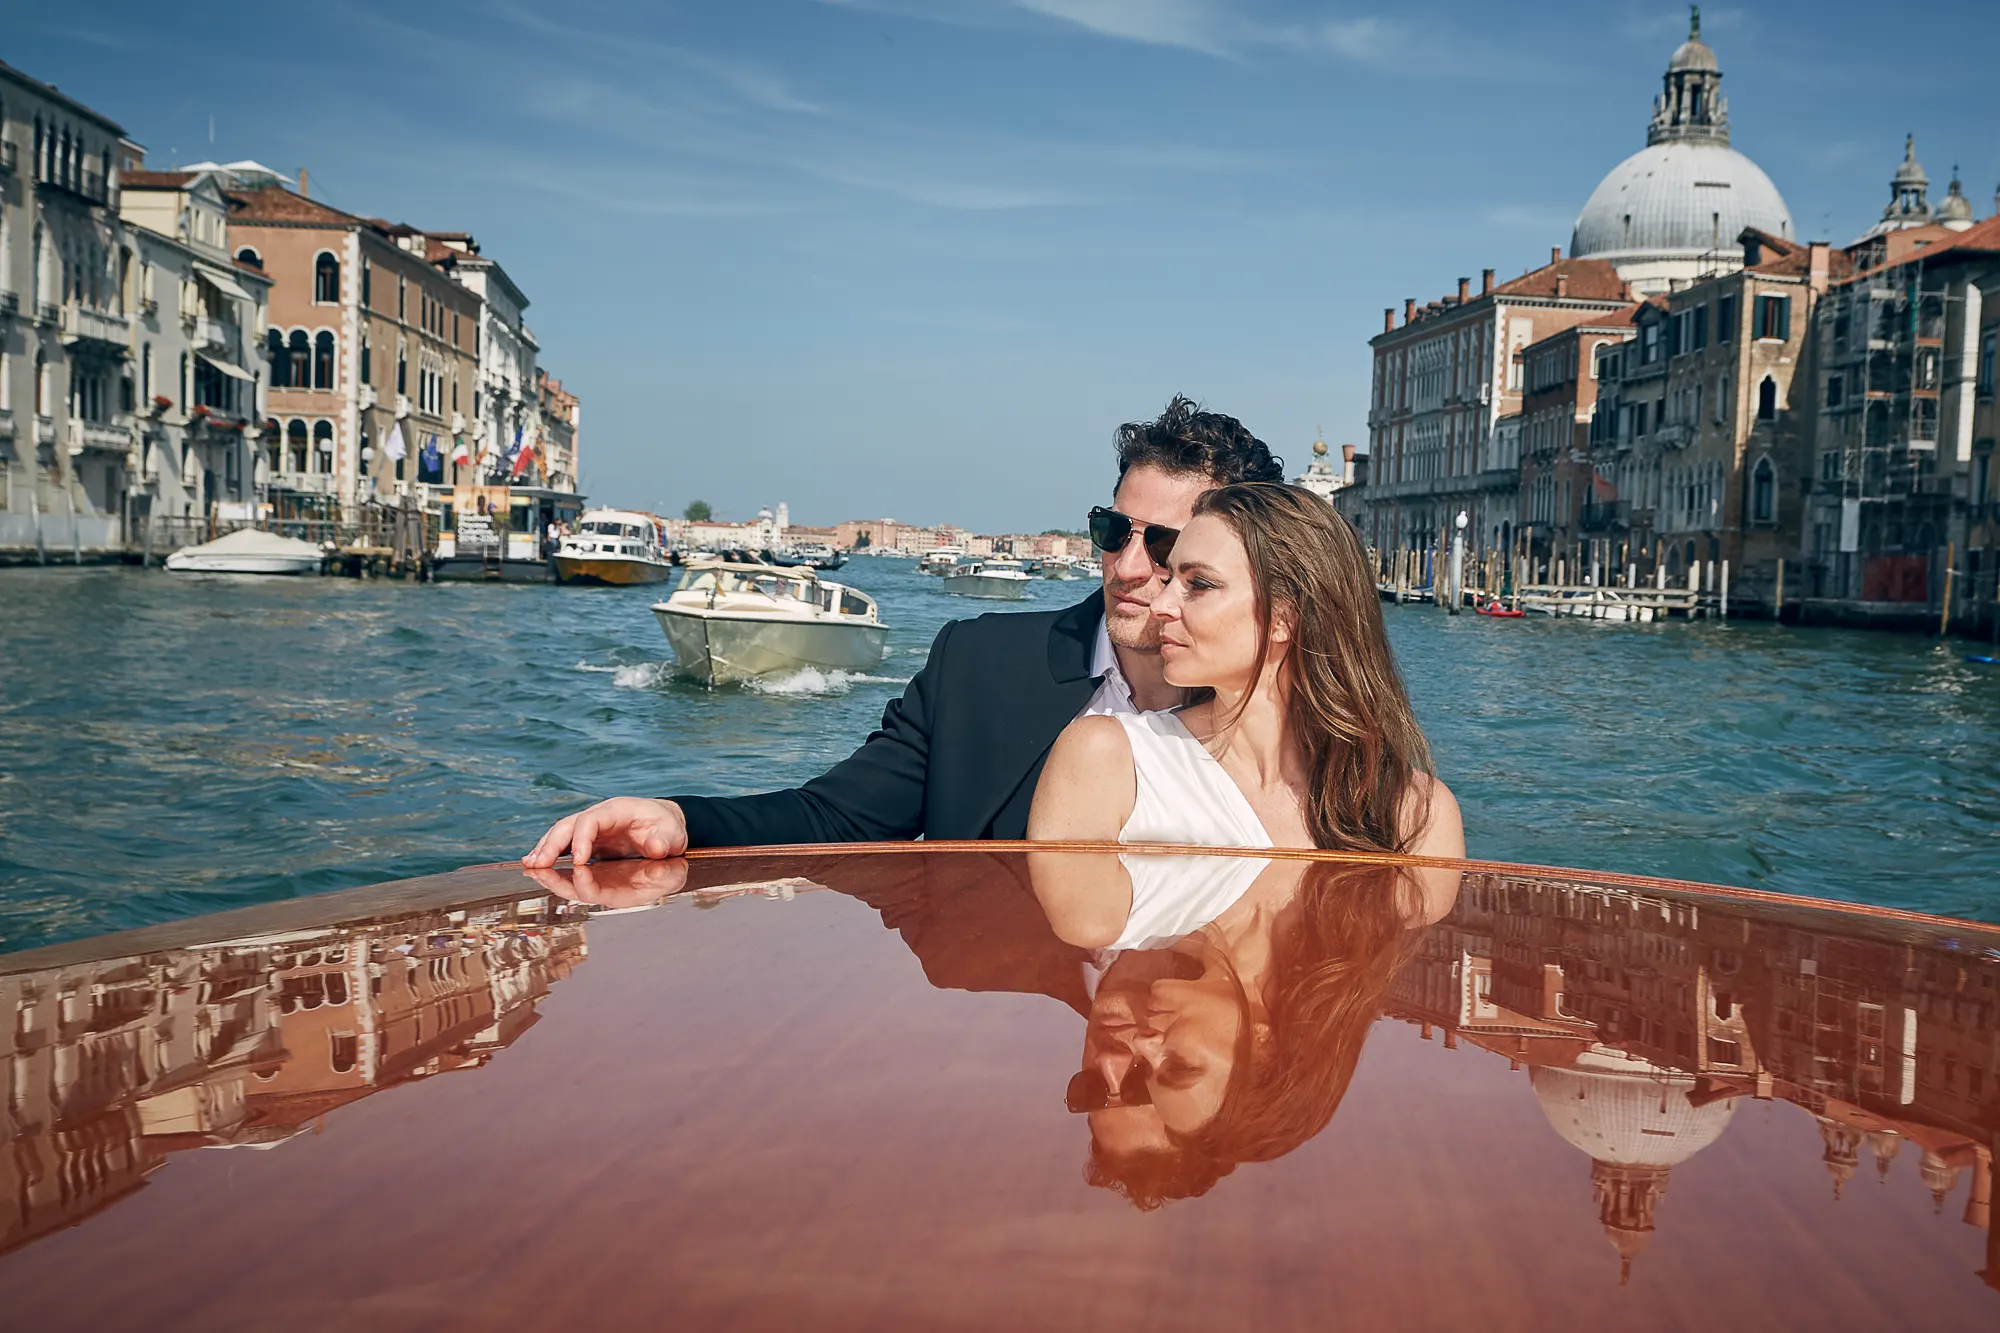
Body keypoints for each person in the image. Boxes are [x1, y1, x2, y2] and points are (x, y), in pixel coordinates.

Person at [522, 397, 1286, 867]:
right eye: (1113, 530)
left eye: (1164, 544)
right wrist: (681, 818)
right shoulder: (978, 665)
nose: (1127, 565)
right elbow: (836, 815)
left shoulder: (1290, 721)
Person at [1026, 481, 1463, 931]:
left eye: (1198, 584)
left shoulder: (1416, 815)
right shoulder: (1106, 759)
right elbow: (1083, 932)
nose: (1160, 605)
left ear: (1283, 619)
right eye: (1171, 579)